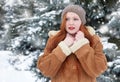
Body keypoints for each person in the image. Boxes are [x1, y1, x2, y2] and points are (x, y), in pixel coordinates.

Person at [37, 4, 107, 82]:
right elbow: (45, 69)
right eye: (67, 19)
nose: (71, 23)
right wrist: (63, 47)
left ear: (81, 21)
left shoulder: (93, 39)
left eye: (75, 19)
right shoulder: (54, 39)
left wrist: (82, 45)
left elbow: (98, 69)